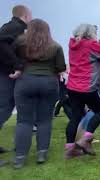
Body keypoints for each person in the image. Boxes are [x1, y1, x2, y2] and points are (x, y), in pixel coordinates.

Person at [13, 19, 66, 169]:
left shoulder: (20, 43)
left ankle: (20, 157)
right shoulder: (55, 46)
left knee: (24, 121)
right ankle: (42, 153)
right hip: (49, 83)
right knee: (45, 120)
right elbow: (60, 67)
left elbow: (12, 59)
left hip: (25, 82)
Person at [65, 23, 100, 159]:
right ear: (90, 34)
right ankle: (85, 139)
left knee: (75, 117)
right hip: (87, 87)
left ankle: (70, 149)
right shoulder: (90, 45)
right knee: (99, 111)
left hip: (72, 87)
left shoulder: (72, 45)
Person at [0, 5, 32, 167]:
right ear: (25, 15)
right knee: (3, 108)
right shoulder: (14, 27)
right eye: (30, 15)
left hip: (7, 74)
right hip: (5, 74)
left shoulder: (15, 27)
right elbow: (1, 44)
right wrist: (17, 65)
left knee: (7, 106)